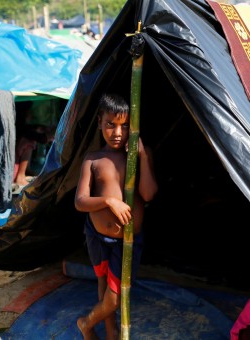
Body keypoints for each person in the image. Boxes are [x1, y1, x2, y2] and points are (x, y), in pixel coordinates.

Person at [74, 93, 158, 340]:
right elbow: (80, 202)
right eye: (111, 124)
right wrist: (109, 201)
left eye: (124, 126)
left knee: (113, 298)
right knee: (102, 284)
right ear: (100, 122)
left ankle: (86, 323)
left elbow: (149, 194)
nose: (118, 132)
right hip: (96, 235)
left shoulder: (140, 155)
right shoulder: (93, 159)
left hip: (127, 241)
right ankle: (111, 334)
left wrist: (142, 156)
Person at [13, 101, 49, 187]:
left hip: (8, 171)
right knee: (29, 142)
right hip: (12, 171)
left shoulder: (15, 127)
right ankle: (20, 177)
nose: (31, 115)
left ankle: (26, 171)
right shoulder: (24, 133)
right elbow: (41, 138)